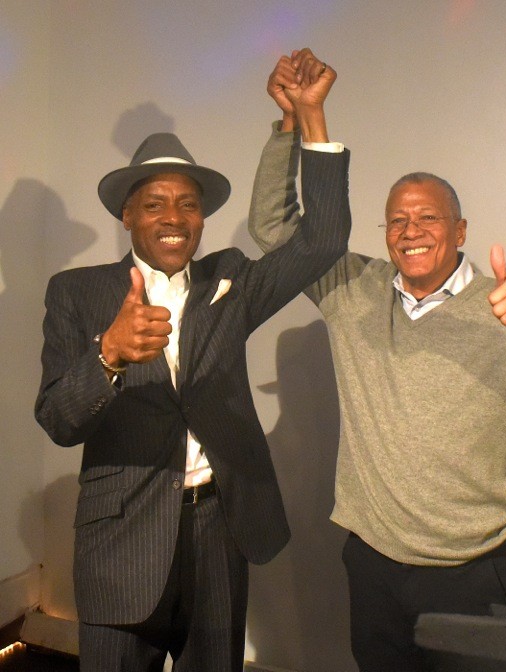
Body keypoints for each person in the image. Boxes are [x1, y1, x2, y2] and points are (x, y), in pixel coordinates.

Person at [248, 49, 506, 671]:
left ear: (460, 232)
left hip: (471, 576)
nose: (411, 230)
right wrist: (291, 125)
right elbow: (274, 229)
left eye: (429, 217)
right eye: (397, 220)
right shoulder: (353, 289)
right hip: (372, 566)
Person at [34, 52, 350, 672]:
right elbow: (57, 421)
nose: (174, 218)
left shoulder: (228, 281)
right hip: (120, 543)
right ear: (127, 215)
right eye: (154, 204)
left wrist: (310, 118)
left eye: (188, 204)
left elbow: (322, 240)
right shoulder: (76, 293)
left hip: (219, 531)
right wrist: (108, 354)